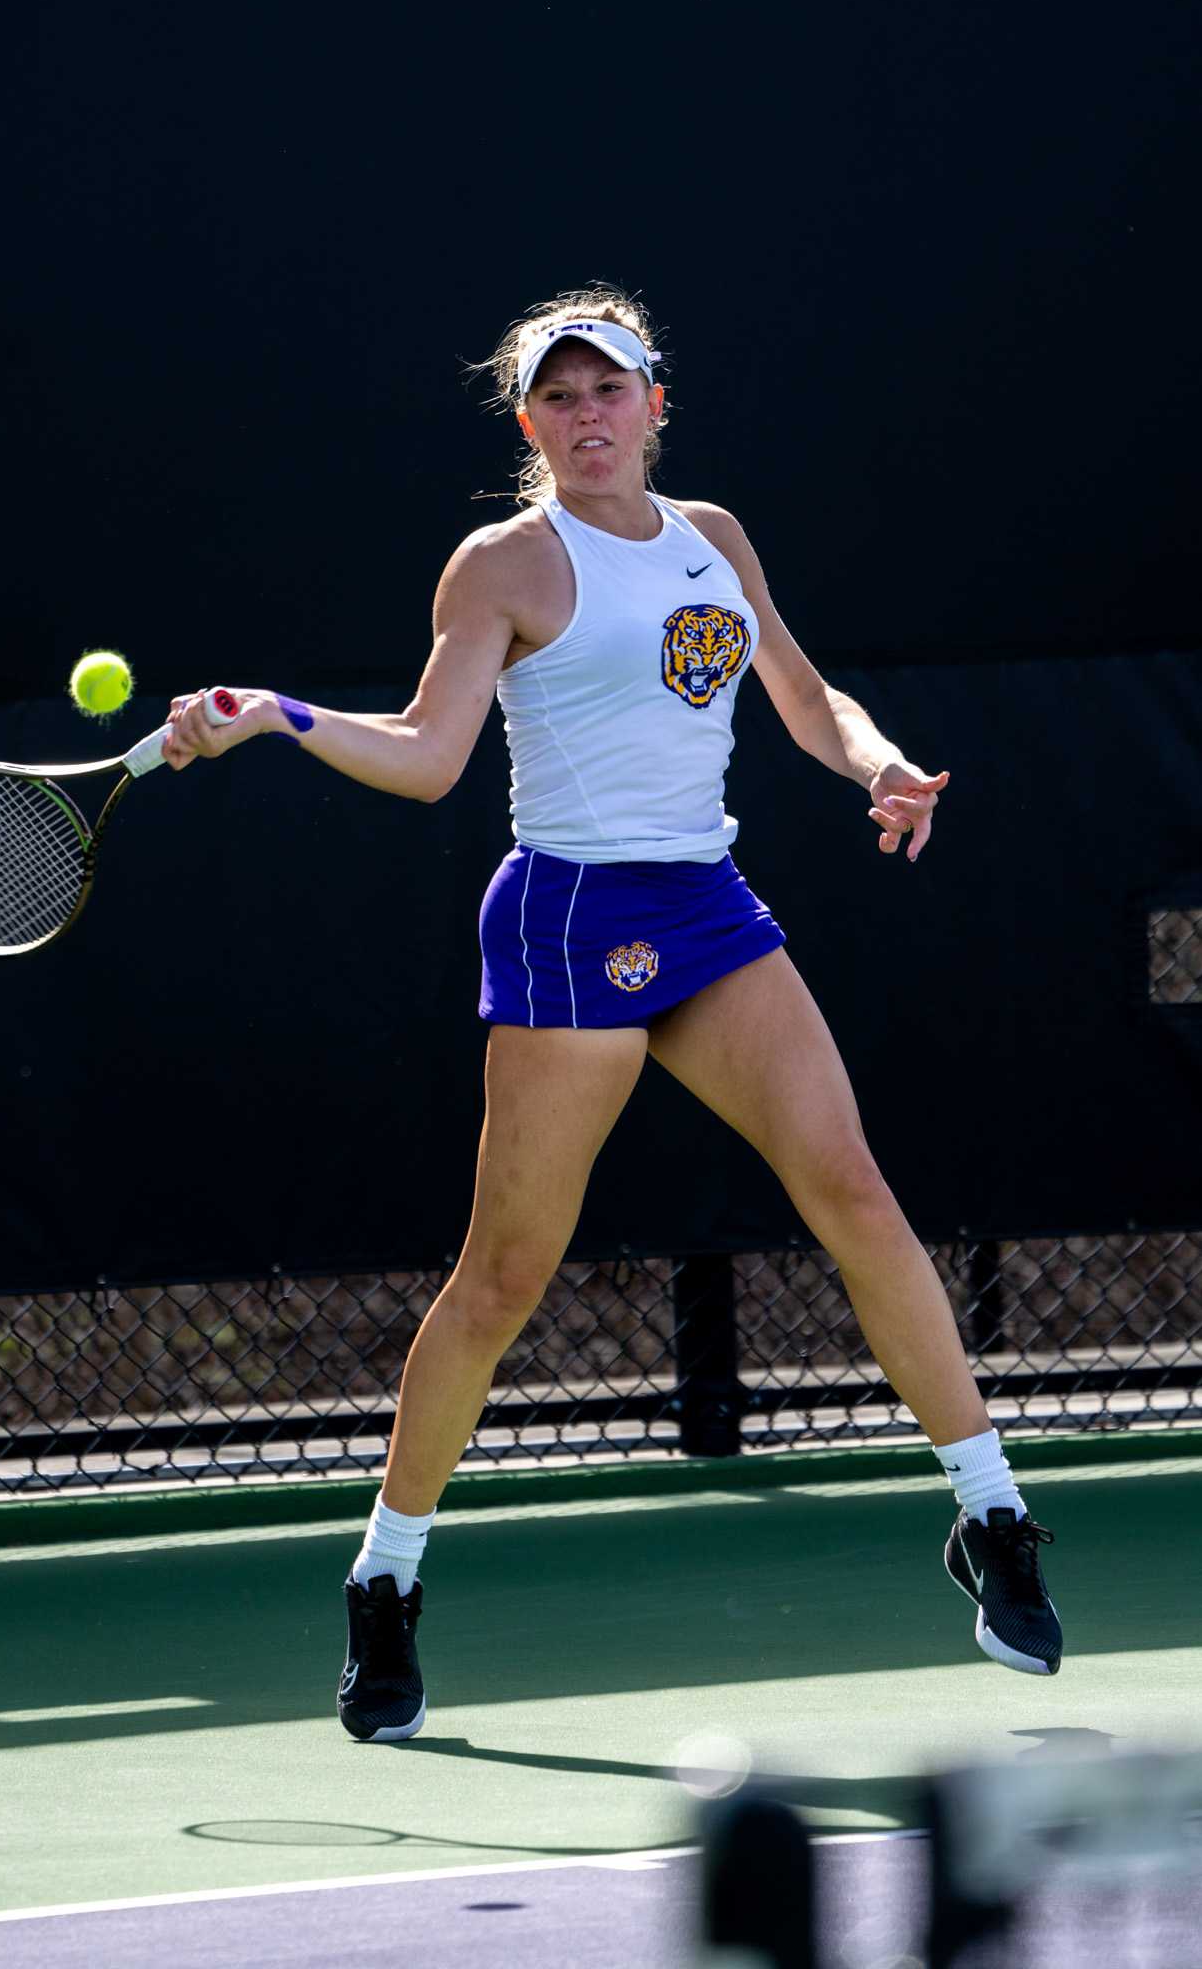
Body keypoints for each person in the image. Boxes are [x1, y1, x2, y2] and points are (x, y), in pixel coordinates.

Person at [162, 289, 1063, 1742]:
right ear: (530, 424)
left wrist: (878, 762)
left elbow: (800, 687)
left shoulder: (717, 538)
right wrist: (280, 714)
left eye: (610, 392)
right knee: (507, 1277)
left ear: (656, 405)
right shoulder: (504, 563)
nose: (588, 417)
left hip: (707, 905)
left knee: (856, 1194)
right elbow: (431, 757)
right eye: (559, 399)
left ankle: (994, 1513)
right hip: (572, 921)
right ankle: (385, 1579)